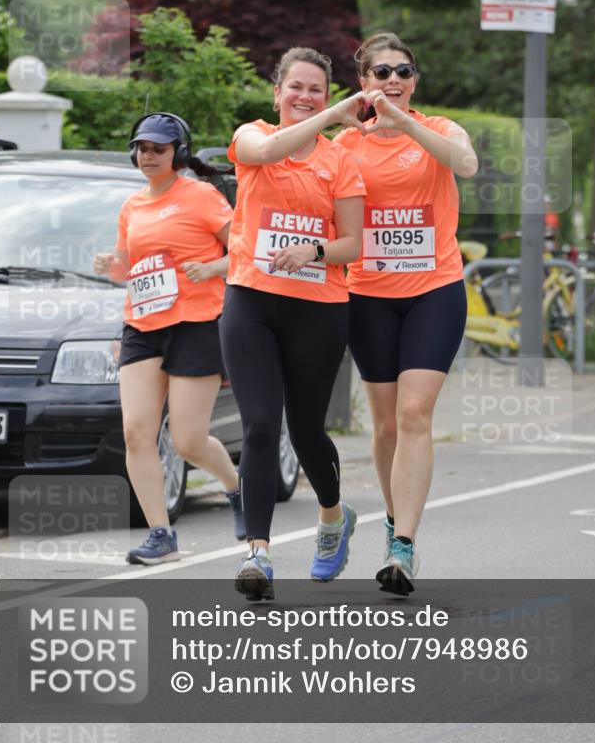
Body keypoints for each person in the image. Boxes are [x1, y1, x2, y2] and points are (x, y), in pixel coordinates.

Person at [219, 47, 368, 601]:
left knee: (306, 431)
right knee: (260, 425)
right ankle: (257, 553)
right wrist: (332, 118)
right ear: (276, 92)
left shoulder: (340, 162)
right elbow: (271, 149)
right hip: (251, 301)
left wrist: (313, 251)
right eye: (296, 88)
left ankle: (333, 519)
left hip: (319, 307)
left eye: (317, 91)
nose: (305, 98)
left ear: (326, 98)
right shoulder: (252, 136)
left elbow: (353, 243)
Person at [336, 32, 478, 595]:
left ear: (413, 80)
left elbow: (464, 165)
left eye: (403, 71)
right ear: (363, 82)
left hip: (433, 290)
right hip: (368, 294)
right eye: (381, 73)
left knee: (416, 415)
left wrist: (403, 121)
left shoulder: (440, 129)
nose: (392, 80)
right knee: (388, 423)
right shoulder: (346, 145)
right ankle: (394, 520)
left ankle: (404, 545)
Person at [93, 112, 245, 564]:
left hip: (195, 323)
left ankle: (238, 488)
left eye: (158, 148)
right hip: (141, 325)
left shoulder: (200, 196)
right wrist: (112, 266)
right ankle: (161, 534)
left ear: (177, 153)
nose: (147, 156)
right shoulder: (132, 205)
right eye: (141, 148)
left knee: (187, 440)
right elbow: (129, 266)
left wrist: (214, 267)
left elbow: (243, 246)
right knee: (136, 431)